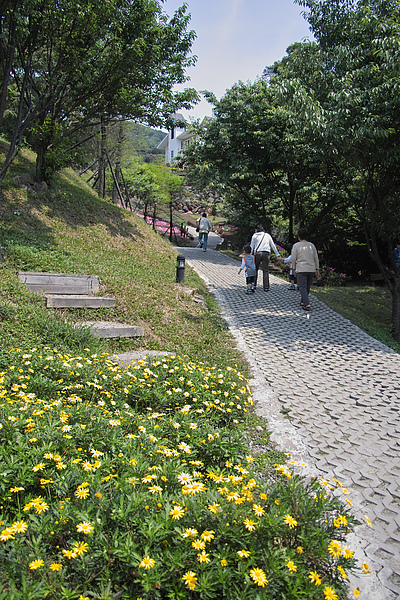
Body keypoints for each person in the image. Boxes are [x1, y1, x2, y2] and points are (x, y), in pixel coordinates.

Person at [291, 227, 319, 311]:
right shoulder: (311, 245)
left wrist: (294, 268)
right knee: (307, 286)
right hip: (311, 268)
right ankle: (303, 301)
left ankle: (307, 304)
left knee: (302, 286)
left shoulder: (296, 246)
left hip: (301, 268)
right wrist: (317, 268)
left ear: (298, 236)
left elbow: (293, 258)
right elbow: (316, 258)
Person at [250, 224, 281, 291]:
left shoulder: (254, 236)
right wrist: (277, 254)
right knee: (265, 270)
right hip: (266, 254)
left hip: (257, 254)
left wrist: (250, 254)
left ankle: (254, 285)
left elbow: (251, 246)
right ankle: (266, 287)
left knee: (255, 269)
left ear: (256, 229)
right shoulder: (267, 235)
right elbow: (273, 245)